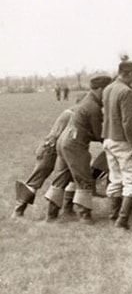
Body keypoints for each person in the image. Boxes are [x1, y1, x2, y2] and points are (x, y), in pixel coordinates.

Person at [43, 76, 112, 224]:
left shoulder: (86, 101)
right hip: (75, 144)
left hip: (64, 142)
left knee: (60, 179)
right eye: (107, 91)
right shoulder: (93, 107)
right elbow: (97, 133)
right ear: (100, 90)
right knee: (84, 179)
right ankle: (85, 216)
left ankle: (51, 215)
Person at [11, 105, 81, 218]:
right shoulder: (72, 115)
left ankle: (67, 209)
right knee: (36, 181)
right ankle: (18, 211)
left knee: (70, 177)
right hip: (51, 149)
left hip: (55, 148)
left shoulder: (69, 113)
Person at [102, 61, 132, 230]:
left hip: (108, 139)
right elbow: (128, 122)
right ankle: (122, 221)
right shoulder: (126, 92)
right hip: (122, 141)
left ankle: (113, 216)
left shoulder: (108, 89)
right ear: (130, 74)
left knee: (115, 179)